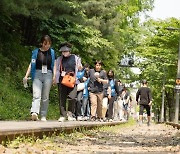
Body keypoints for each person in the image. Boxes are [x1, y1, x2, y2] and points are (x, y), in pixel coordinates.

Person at [23, 35, 56, 121]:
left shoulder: (52, 52)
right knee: (36, 94)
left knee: (45, 96)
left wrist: (54, 76)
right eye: (45, 44)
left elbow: (54, 64)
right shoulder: (36, 52)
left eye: (49, 44)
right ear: (42, 43)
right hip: (37, 73)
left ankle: (43, 115)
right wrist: (26, 76)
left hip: (48, 74)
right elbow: (31, 64)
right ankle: (34, 112)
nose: (47, 46)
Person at [55, 42, 82, 122]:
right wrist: (55, 79)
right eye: (63, 52)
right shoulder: (59, 59)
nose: (64, 53)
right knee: (62, 98)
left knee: (72, 97)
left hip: (72, 80)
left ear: (69, 51)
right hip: (62, 80)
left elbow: (79, 68)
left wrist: (80, 67)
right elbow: (57, 69)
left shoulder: (75, 58)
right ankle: (62, 115)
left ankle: (70, 113)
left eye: (65, 51)